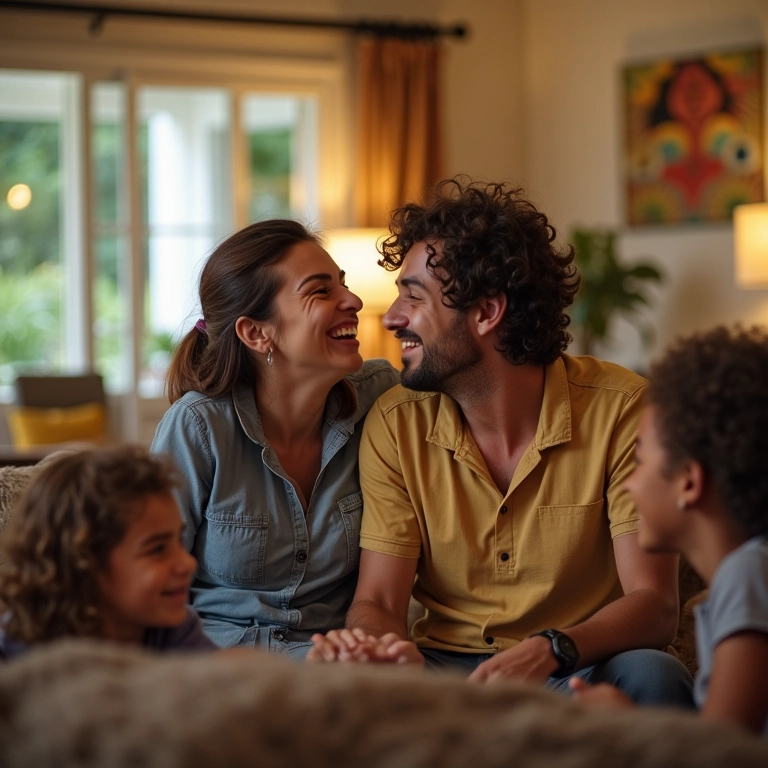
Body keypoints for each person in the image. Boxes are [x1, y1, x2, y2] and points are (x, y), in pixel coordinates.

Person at [309, 178, 693, 707]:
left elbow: (654, 603)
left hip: (576, 662)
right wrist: (387, 651)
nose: (393, 318)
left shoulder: (622, 409)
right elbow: (378, 599)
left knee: (654, 675)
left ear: (487, 313)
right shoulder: (395, 423)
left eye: (413, 298)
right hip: (446, 670)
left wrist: (552, 649)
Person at [150, 219, 398, 658]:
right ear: (255, 332)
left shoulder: (382, 395)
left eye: (342, 283)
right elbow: (147, 584)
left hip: (333, 661)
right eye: (321, 291)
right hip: (221, 665)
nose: (354, 300)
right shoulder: (198, 427)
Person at [571, 326, 768, 736]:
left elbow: (723, 756)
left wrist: (628, 725)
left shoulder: (747, 578)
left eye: (640, 462)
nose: (629, 484)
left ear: (689, 482)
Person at [0, 445, 216, 659]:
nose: (188, 563)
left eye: (179, 541)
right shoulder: (18, 647)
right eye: (158, 549)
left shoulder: (174, 630)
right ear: (84, 563)